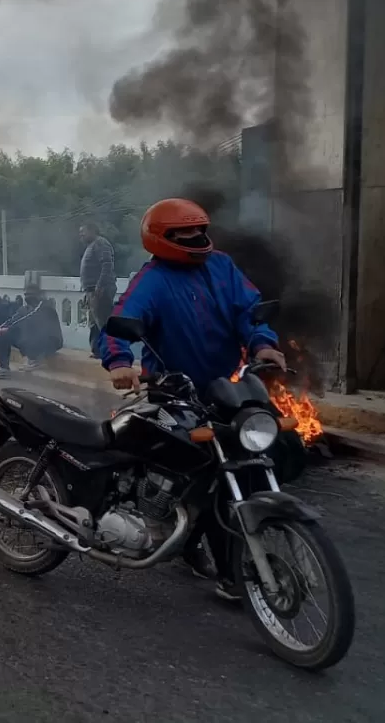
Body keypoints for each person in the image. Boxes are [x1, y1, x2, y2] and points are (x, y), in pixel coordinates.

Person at [101, 197, 287, 599]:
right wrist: (118, 361)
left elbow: (249, 312)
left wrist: (262, 345)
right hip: (175, 392)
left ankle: (240, 548)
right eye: (182, 234)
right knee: (203, 477)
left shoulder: (221, 266)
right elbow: (119, 322)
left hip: (228, 387)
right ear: (159, 238)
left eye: (198, 231)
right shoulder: (151, 279)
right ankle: (220, 564)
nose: (194, 238)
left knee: (255, 464)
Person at [0, 286, 64, 379]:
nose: (28, 297)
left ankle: (35, 359)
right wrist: (2, 327)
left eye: (31, 294)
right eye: (26, 294)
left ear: (39, 295)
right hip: (33, 338)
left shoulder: (46, 307)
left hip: (51, 341)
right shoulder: (25, 308)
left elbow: (28, 320)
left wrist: (9, 328)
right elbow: (13, 319)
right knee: (4, 334)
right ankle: (3, 369)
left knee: (26, 328)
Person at [79, 220, 117, 359]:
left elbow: (107, 265)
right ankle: (98, 350)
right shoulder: (92, 246)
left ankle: (110, 352)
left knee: (103, 321)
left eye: (83, 232)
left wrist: (99, 287)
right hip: (91, 290)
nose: (81, 235)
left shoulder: (100, 243)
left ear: (92, 231)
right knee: (94, 322)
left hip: (101, 290)